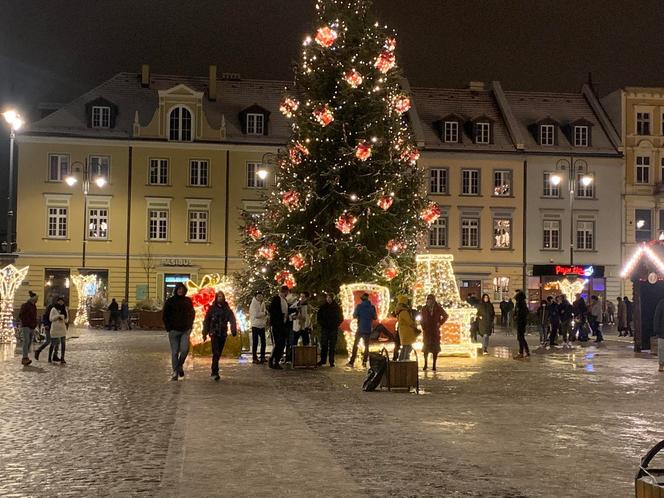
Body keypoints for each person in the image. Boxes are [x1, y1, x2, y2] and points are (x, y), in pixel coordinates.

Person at [162, 282, 195, 381]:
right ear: (176, 290)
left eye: (182, 289)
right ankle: (175, 372)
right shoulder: (170, 301)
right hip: (173, 331)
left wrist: (190, 326)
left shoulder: (188, 301)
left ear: (184, 290)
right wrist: (169, 327)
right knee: (175, 352)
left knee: (184, 350)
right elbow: (165, 315)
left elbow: (192, 314)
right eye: (178, 289)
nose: (180, 291)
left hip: (185, 330)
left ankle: (179, 366)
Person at [202, 291, 237, 381]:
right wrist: (205, 333)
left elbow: (232, 320)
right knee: (216, 352)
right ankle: (215, 371)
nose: (220, 298)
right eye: (219, 297)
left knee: (219, 353)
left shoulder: (227, 309)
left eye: (221, 296)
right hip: (214, 333)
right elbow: (206, 321)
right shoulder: (212, 308)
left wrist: (233, 330)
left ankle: (214, 368)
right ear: (216, 298)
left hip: (223, 333)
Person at [348, 293, 377, 367]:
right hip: (368, 328)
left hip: (360, 328)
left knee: (355, 344)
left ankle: (352, 361)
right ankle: (364, 361)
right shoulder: (372, 307)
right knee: (366, 346)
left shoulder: (359, 306)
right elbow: (375, 317)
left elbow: (354, 316)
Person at [420, 294, 448, 370]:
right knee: (426, 349)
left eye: (431, 300)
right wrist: (423, 326)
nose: (429, 301)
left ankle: (434, 365)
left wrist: (440, 323)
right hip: (427, 331)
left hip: (435, 331)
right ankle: (425, 364)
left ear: (433, 300)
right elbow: (421, 318)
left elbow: (445, 316)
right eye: (428, 300)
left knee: (435, 349)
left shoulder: (438, 308)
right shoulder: (424, 308)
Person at [317, 292, 344, 367]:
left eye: (330, 298)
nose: (328, 299)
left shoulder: (337, 307)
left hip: (333, 328)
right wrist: (322, 324)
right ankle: (323, 360)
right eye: (327, 298)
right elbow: (319, 317)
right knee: (324, 345)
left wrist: (335, 325)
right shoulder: (323, 307)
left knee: (332, 346)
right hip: (325, 328)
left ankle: (331, 361)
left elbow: (340, 318)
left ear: (332, 298)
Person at [268, 285, 290, 370]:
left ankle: (275, 360)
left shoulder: (284, 300)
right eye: (286, 292)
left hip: (283, 325)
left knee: (282, 344)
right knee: (279, 343)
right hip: (277, 325)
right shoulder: (276, 299)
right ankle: (273, 360)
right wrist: (282, 316)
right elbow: (273, 311)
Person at [18, 291, 39, 366]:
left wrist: (34, 324)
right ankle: (24, 358)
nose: (37, 299)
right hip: (26, 326)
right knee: (26, 341)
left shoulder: (34, 306)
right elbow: (21, 315)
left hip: (32, 326)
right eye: (36, 297)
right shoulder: (25, 305)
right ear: (32, 298)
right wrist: (26, 322)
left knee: (29, 342)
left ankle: (25, 357)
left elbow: (34, 316)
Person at [395, 295, 418, 361]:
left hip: (404, 331)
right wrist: (414, 324)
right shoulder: (404, 312)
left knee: (406, 347)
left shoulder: (400, 311)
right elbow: (409, 321)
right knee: (407, 347)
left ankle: (401, 361)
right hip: (407, 332)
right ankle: (404, 361)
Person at [249, 291, 268, 364]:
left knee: (263, 342)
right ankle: (254, 358)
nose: (260, 298)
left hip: (262, 325)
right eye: (258, 296)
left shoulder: (262, 303)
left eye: (261, 296)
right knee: (255, 342)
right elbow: (256, 315)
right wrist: (264, 313)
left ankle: (262, 357)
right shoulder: (254, 304)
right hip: (255, 325)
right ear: (256, 297)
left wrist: (264, 314)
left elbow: (264, 311)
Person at [49, 296, 69, 364]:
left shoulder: (65, 309)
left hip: (62, 328)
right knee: (53, 343)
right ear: (57, 301)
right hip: (55, 329)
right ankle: (50, 357)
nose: (61, 302)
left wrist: (63, 318)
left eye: (62, 301)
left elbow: (67, 320)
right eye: (59, 301)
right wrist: (57, 317)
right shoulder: (54, 309)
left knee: (63, 343)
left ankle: (62, 358)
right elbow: (51, 318)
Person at [514, 291, 530, 358]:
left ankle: (521, 352)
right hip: (520, 322)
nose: (514, 294)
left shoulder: (521, 303)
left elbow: (522, 313)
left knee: (520, 337)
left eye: (515, 293)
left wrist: (517, 317)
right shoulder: (521, 303)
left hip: (521, 322)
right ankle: (525, 351)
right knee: (520, 337)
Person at [653, 298, 664, 372]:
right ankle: (661, 364)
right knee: (661, 348)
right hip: (662, 331)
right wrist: (657, 330)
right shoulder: (662, 303)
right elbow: (657, 317)